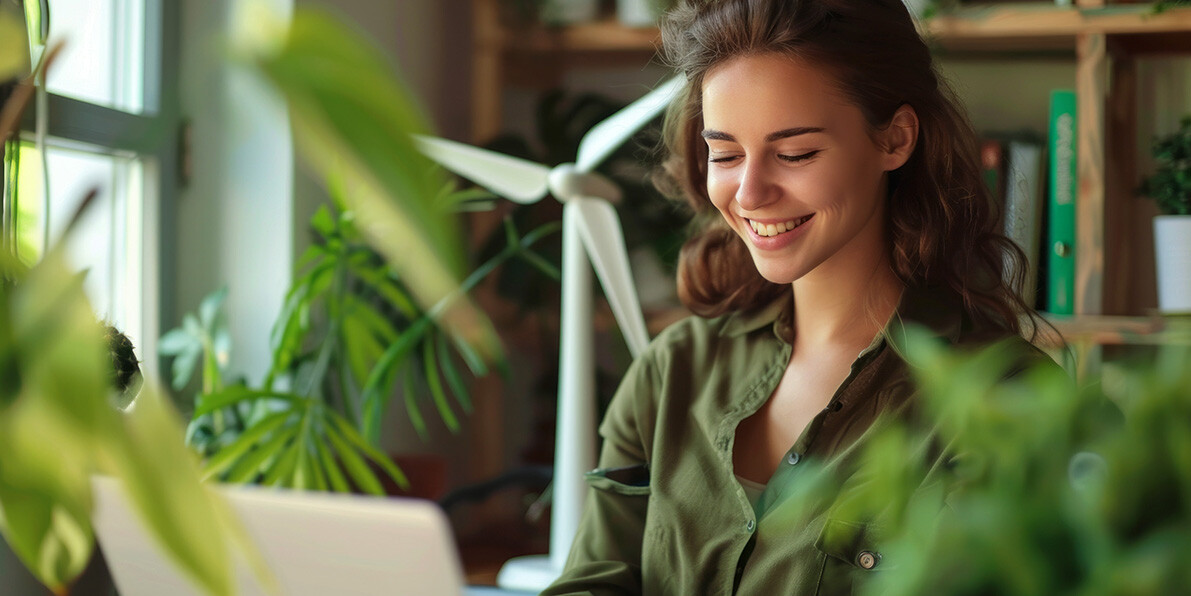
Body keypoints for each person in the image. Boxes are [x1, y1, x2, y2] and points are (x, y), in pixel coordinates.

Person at [541, 0, 1057, 594]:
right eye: (727, 154)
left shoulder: (1001, 402)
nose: (751, 193)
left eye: (795, 154)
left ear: (894, 139)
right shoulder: (670, 371)